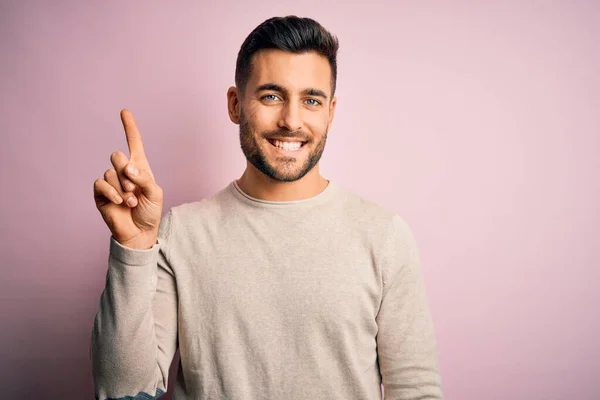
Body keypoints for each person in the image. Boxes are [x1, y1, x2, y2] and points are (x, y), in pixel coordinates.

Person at [91, 15, 443, 400]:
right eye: (271, 96)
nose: (291, 120)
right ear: (235, 104)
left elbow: (416, 391)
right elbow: (125, 392)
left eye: (311, 100)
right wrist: (134, 249)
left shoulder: (385, 237)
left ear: (330, 111)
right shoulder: (182, 232)